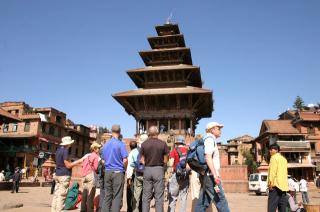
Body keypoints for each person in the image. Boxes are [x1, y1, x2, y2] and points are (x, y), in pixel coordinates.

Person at [195, 122, 230, 212]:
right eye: (218, 128)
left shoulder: (209, 139)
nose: (220, 131)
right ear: (212, 130)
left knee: (203, 203)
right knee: (221, 201)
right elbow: (208, 157)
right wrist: (215, 175)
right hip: (210, 176)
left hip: (207, 176)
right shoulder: (210, 139)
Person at [140, 126, 169, 212]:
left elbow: (141, 159)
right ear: (158, 133)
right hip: (158, 169)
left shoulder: (144, 144)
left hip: (147, 169)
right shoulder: (163, 144)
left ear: (149, 133)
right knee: (159, 197)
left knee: (146, 197)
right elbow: (166, 160)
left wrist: (147, 164)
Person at [101, 124, 128, 212]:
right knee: (117, 196)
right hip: (118, 171)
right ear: (120, 132)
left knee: (107, 195)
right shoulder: (121, 144)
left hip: (107, 172)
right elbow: (125, 160)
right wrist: (125, 168)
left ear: (111, 132)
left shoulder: (105, 145)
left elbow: (103, 160)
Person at [51, 136, 78, 212]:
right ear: (68, 144)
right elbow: (68, 165)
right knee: (62, 196)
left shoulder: (58, 150)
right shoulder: (65, 151)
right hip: (64, 175)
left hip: (58, 174)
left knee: (56, 195)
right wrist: (78, 161)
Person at [167, 135, 190, 212]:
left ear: (177, 142)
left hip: (176, 175)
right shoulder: (188, 150)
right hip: (185, 175)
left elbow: (171, 163)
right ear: (183, 142)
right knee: (183, 197)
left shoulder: (174, 150)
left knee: (173, 196)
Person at [79, 142, 101, 212]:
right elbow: (96, 167)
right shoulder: (96, 156)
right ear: (94, 149)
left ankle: (83, 210)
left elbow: (82, 165)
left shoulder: (87, 156)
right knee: (91, 195)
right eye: (98, 148)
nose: (99, 149)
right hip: (90, 176)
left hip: (84, 175)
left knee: (84, 193)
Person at [267, 143, 288, 212]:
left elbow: (272, 172)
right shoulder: (284, 159)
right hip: (283, 187)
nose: (269, 151)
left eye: (271, 149)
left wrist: (270, 184)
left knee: (271, 208)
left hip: (275, 186)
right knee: (282, 208)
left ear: (276, 150)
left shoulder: (273, 158)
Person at [131, 134, 148, 212]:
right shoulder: (150, 149)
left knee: (136, 195)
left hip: (138, 174)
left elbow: (131, 164)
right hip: (147, 174)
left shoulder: (135, 151)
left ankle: (135, 210)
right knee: (146, 196)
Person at [126, 140, 138, 212]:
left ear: (130, 147)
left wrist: (129, 178)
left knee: (130, 194)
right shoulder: (139, 151)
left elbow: (130, 167)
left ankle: (130, 209)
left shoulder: (131, 153)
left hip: (133, 176)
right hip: (139, 174)